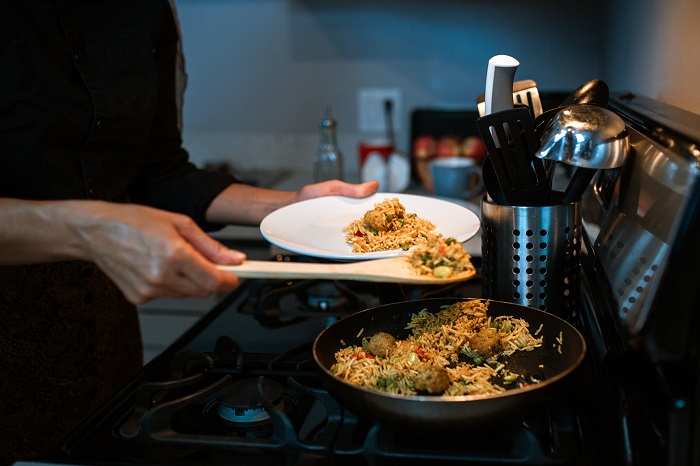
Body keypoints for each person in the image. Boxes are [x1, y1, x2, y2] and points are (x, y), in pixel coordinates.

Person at [0, 1, 378, 463]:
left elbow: (158, 175)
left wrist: (294, 207)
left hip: (105, 325)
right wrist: (89, 231)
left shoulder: (143, 10)